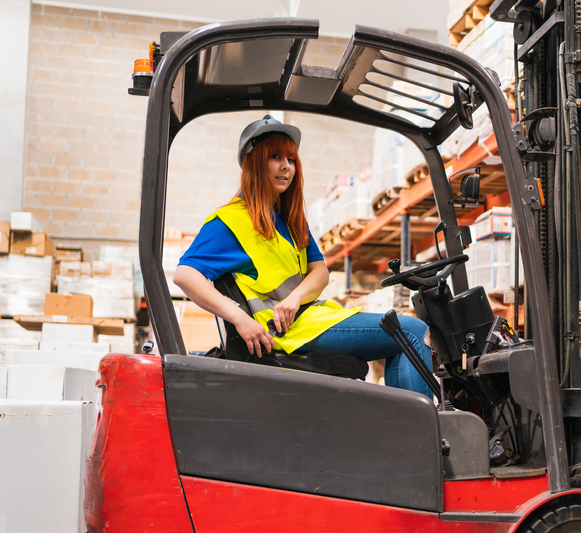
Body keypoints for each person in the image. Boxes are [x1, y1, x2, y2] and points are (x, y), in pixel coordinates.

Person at [173, 114, 434, 399]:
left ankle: (404, 433)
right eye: (275, 157)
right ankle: (423, 436)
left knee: (402, 339)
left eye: (292, 159)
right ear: (254, 163)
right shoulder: (230, 222)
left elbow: (320, 272)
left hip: (309, 317)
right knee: (412, 331)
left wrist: (294, 298)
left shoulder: (288, 219)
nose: (286, 166)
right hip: (288, 333)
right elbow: (185, 275)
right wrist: (240, 319)